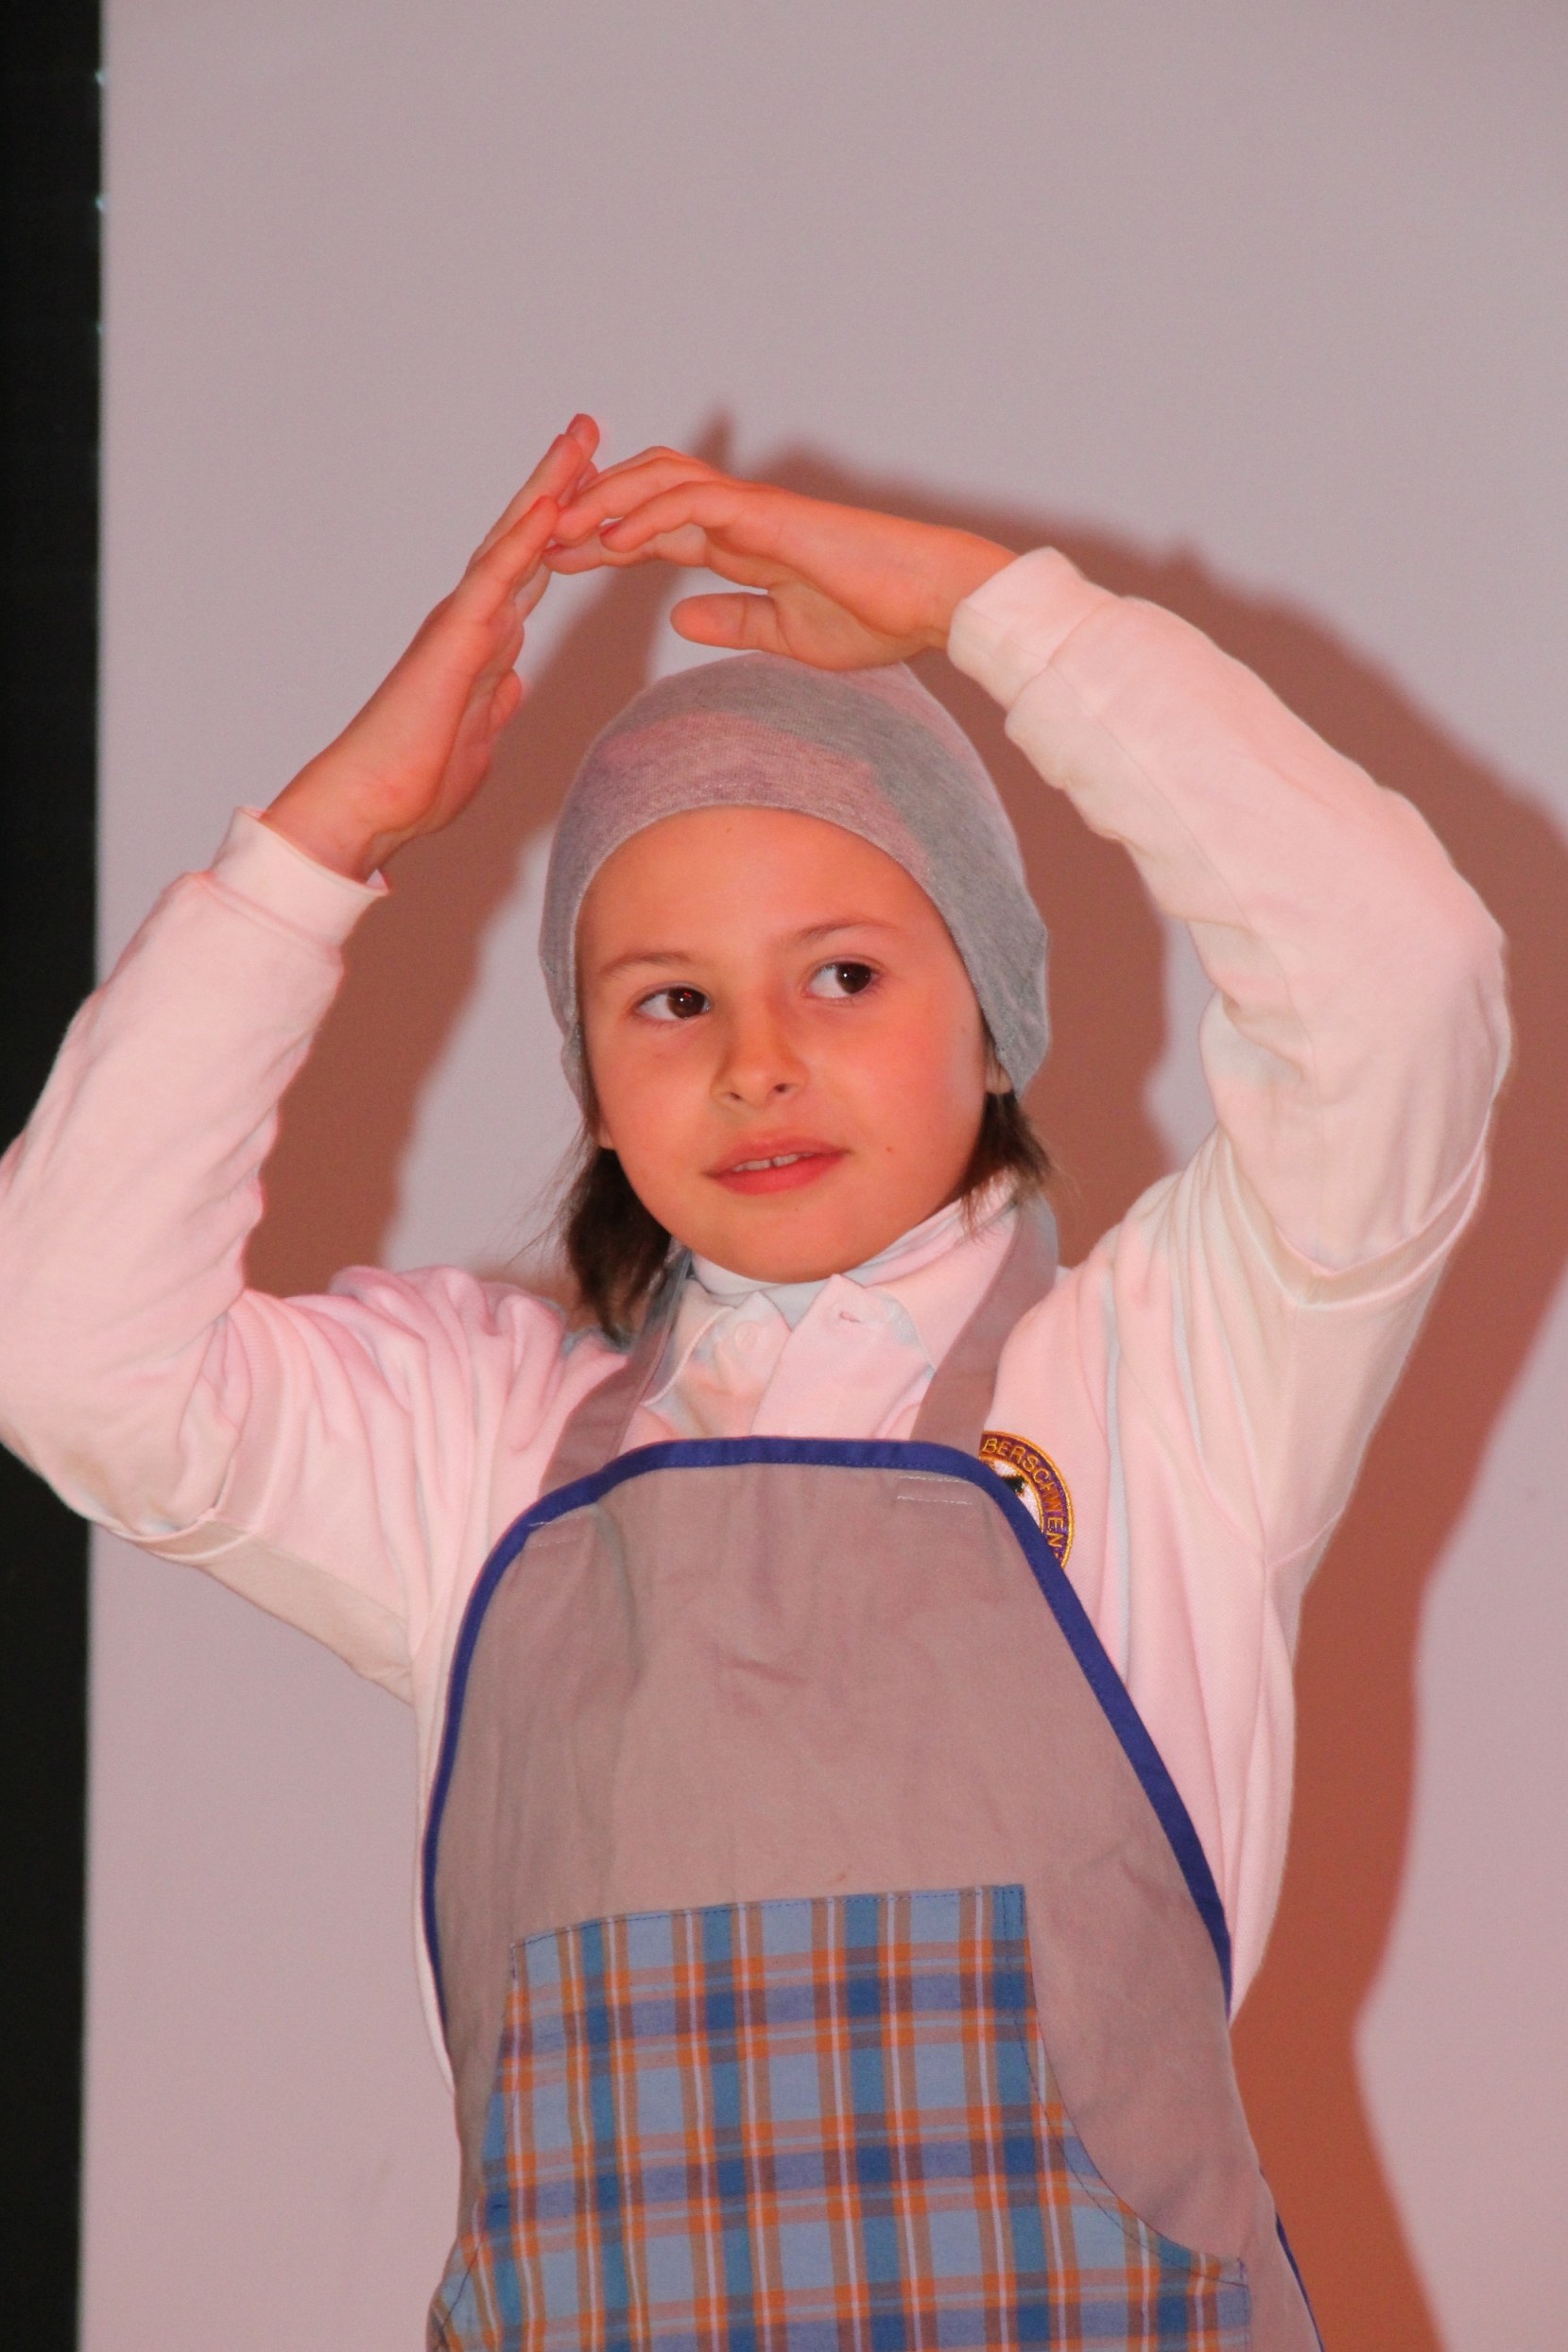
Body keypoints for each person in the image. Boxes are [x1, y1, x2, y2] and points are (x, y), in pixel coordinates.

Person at [0, 417, 1508, 2349]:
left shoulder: (1166, 1382)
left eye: (845, 973)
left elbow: (1400, 983)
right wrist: (319, 846)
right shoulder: (482, 1454)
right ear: (595, 1086)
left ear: (994, 1018)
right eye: (670, 998)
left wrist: (993, 615)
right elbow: (67, 1349)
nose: (756, 1060)